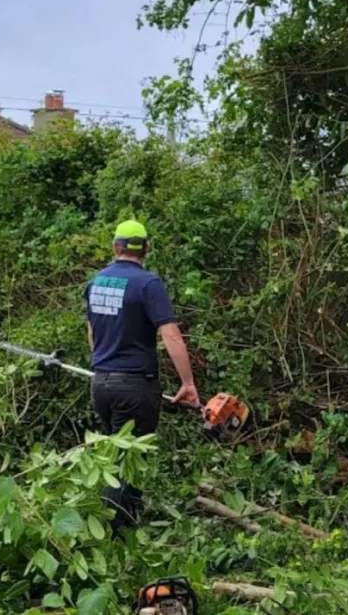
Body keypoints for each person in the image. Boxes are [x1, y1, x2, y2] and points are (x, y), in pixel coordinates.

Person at [85, 219, 199, 531]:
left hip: (102, 383)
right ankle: (115, 538)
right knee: (127, 467)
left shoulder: (96, 282)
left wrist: (103, 363)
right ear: (147, 248)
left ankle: (125, 529)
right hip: (135, 387)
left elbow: (92, 332)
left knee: (117, 460)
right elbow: (171, 336)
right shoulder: (148, 284)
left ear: (115, 247)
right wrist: (188, 384)